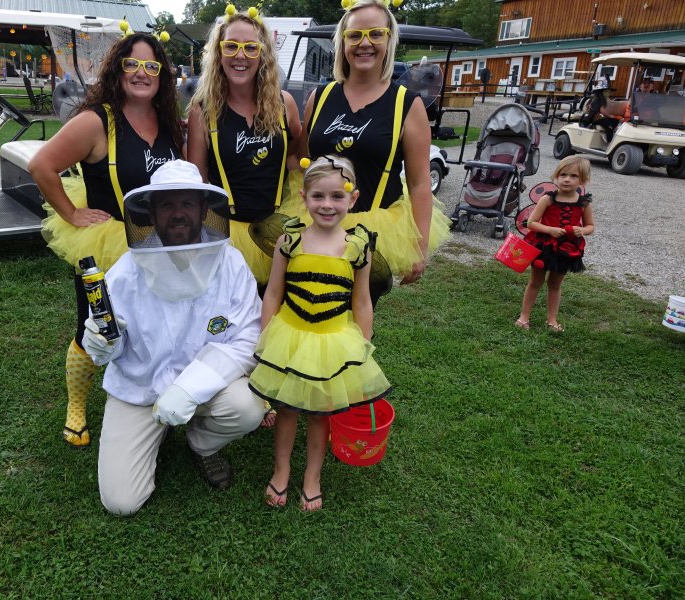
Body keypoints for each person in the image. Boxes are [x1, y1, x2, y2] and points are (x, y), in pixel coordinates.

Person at [79, 160, 264, 515]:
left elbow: (247, 338)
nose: (178, 214)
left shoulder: (231, 264)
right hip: (140, 388)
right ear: (151, 213)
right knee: (121, 502)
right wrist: (102, 343)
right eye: (167, 204)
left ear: (203, 209)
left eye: (186, 203)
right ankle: (154, 429)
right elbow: (110, 338)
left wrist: (189, 389)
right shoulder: (125, 273)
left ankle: (202, 443)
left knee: (247, 407)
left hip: (208, 386)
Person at [29, 31, 183, 447]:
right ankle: (76, 405)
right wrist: (72, 212)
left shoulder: (168, 121)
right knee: (96, 325)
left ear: (163, 76)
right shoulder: (97, 121)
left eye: (152, 66)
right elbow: (42, 165)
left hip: (156, 244)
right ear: (118, 68)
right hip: (106, 245)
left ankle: (150, 394)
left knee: (153, 323)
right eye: (132, 64)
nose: (142, 73)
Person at [250, 156, 392, 512]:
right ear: (304, 196)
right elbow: (273, 293)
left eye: (336, 196)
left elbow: (361, 302)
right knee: (286, 409)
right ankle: (281, 471)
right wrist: (267, 338)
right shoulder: (290, 240)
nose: (327, 205)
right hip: (291, 336)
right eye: (318, 196)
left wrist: (361, 345)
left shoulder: (358, 246)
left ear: (352, 198)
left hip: (332, 340)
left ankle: (312, 476)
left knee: (320, 413)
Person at [300, 0, 451, 293]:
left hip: (373, 232)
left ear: (389, 39)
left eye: (375, 34)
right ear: (343, 42)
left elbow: (420, 183)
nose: (364, 43)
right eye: (355, 35)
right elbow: (302, 158)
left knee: (357, 321)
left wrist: (419, 246)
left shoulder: (407, 104)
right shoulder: (320, 96)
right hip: (318, 224)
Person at [186, 5, 302, 288]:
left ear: (262, 55)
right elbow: (198, 181)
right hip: (226, 237)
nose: (240, 55)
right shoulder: (203, 111)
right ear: (218, 53)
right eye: (231, 46)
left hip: (277, 232)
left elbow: (297, 155)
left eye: (251, 47)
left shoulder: (284, 104)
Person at [516, 156, 595, 333]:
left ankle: (552, 320)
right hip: (543, 247)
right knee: (535, 281)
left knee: (555, 284)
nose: (567, 179)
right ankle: (524, 316)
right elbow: (531, 223)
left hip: (566, 250)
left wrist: (582, 231)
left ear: (582, 180)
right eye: (563, 174)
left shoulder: (584, 203)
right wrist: (550, 230)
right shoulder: (548, 199)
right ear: (556, 176)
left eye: (573, 176)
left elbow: (591, 226)